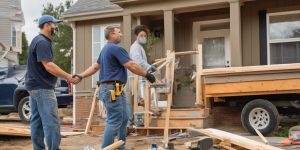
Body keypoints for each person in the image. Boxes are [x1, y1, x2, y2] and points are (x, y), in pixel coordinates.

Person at [72, 26, 155, 150]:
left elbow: (95, 67)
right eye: (119, 32)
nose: (121, 34)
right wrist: (146, 74)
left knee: (125, 117)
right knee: (114, 120)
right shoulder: (116, 49)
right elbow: (131, 65)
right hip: (112, 89)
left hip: (117, 89)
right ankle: (106, 148)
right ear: (111, 34)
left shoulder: (105, 49)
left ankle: (120, 146)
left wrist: (81, 76)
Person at [25, 15, 77, 150]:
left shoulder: (36, 40)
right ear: (47, 25)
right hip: (42, 88)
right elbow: (48, 65)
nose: (56, 27)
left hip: (33, 87)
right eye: (55, 24)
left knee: (36, 121)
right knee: (51, 122)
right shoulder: (42, 42)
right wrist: (68, 76)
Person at [127, 25, 157, 126]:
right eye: (141, 35)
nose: (143, 37)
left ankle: (137, 121)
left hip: (139, 76)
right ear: (137, 35)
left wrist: (149, 66)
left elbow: (142, 61)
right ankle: (133, 122)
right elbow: (138, 62)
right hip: (135, 77)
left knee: (140, 99)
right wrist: (148, 68)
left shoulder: (140, 47)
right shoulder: (135, 47)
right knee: (139, 100)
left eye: (145, 35)